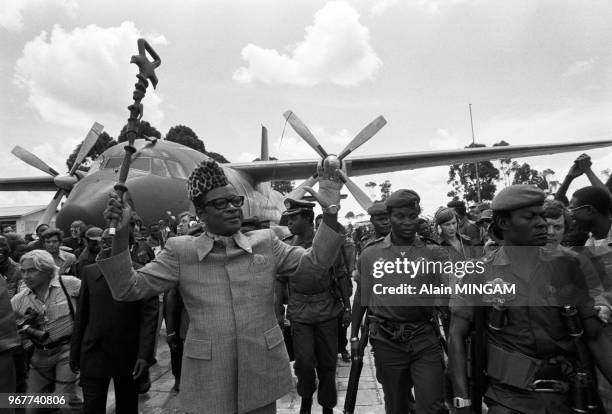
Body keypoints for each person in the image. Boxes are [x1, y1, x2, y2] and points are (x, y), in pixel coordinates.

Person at [98, 159, 345, 414]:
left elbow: (315, 265)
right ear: (201, 213)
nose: (232, 208)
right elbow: (128, 287)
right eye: (220, 203)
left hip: (262, 370)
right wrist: (119, 233)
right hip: (210, 379)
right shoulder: (181, 251)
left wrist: (330, 213)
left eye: (235, 201)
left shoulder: (266, 242)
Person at [448, 184, 612, 414]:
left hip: (566, 396)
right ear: (504, 223)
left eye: (542, 216)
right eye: (530, 217)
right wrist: (462, 401)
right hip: (508, 398)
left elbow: (595, 335)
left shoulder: (571, 264)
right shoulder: (480, 272)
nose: (542, 223)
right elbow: (457, 333)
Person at [351, 189, 446, 414]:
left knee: (432, 405)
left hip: (424, 338)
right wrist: (354, 335)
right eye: (400, 216)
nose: (406, 222)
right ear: (390, 216)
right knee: (396, 405)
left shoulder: (434, 252)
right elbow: (361, 298)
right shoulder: (370, 254)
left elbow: (449, 296)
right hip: (387, 342)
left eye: (412, 216)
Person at [70, 229, 158, 414]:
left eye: (112, 240)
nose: (105, 244)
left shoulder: (142, 274)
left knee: (127, 406)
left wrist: (144, 356)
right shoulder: (90, 272)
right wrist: (75, 352)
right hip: (93, 353)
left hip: (128, 355)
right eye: (103, 241)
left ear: (126, 245)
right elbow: (82, 316)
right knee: (92, 406)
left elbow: (149, 320)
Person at [277, 199, 351, 414]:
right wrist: (278, 312)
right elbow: (279, 281)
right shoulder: (286, 245)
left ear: (309, 219)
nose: (289, 222)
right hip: (300, 312)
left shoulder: (327, 243)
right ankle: (306, 399)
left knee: (328, 363)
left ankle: (327, 405)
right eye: (288, 218)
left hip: (326, 310)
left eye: (294, 217)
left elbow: (341, 275)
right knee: (304, 362)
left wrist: (347, 308)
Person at [11, 250, 82, 411]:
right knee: (31, 407)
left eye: (32, 270)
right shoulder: (19, 300)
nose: (26, 276)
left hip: (67, 351)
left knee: (62, 399)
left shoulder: (69, 284)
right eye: (23, 271)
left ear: (47, 270)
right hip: (39, 356)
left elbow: (94, 303)